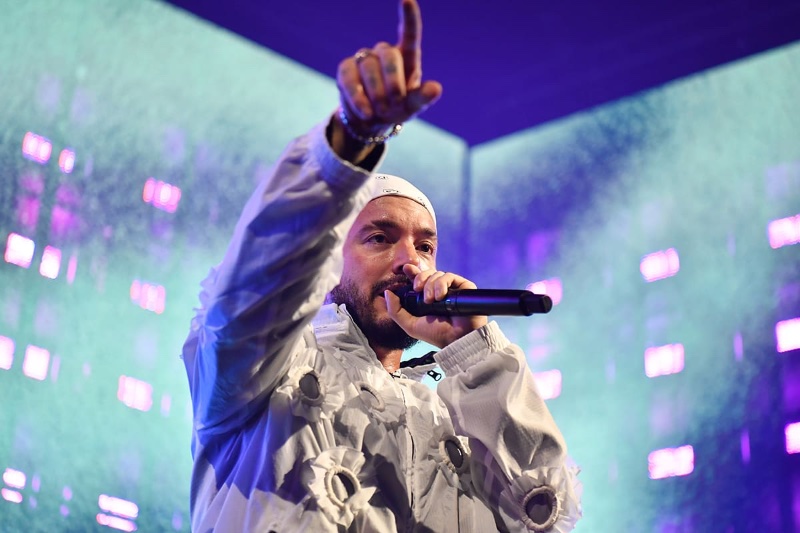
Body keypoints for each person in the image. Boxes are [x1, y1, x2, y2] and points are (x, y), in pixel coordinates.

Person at [181, 0, 582, 531]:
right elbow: (260, 283)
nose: (408, 262)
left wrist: (480, 357)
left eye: (425, 246)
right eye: (379, 237)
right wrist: (352, 138)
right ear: (327, 258)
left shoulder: (453, 420)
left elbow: (542, 513)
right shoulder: (263, 378)